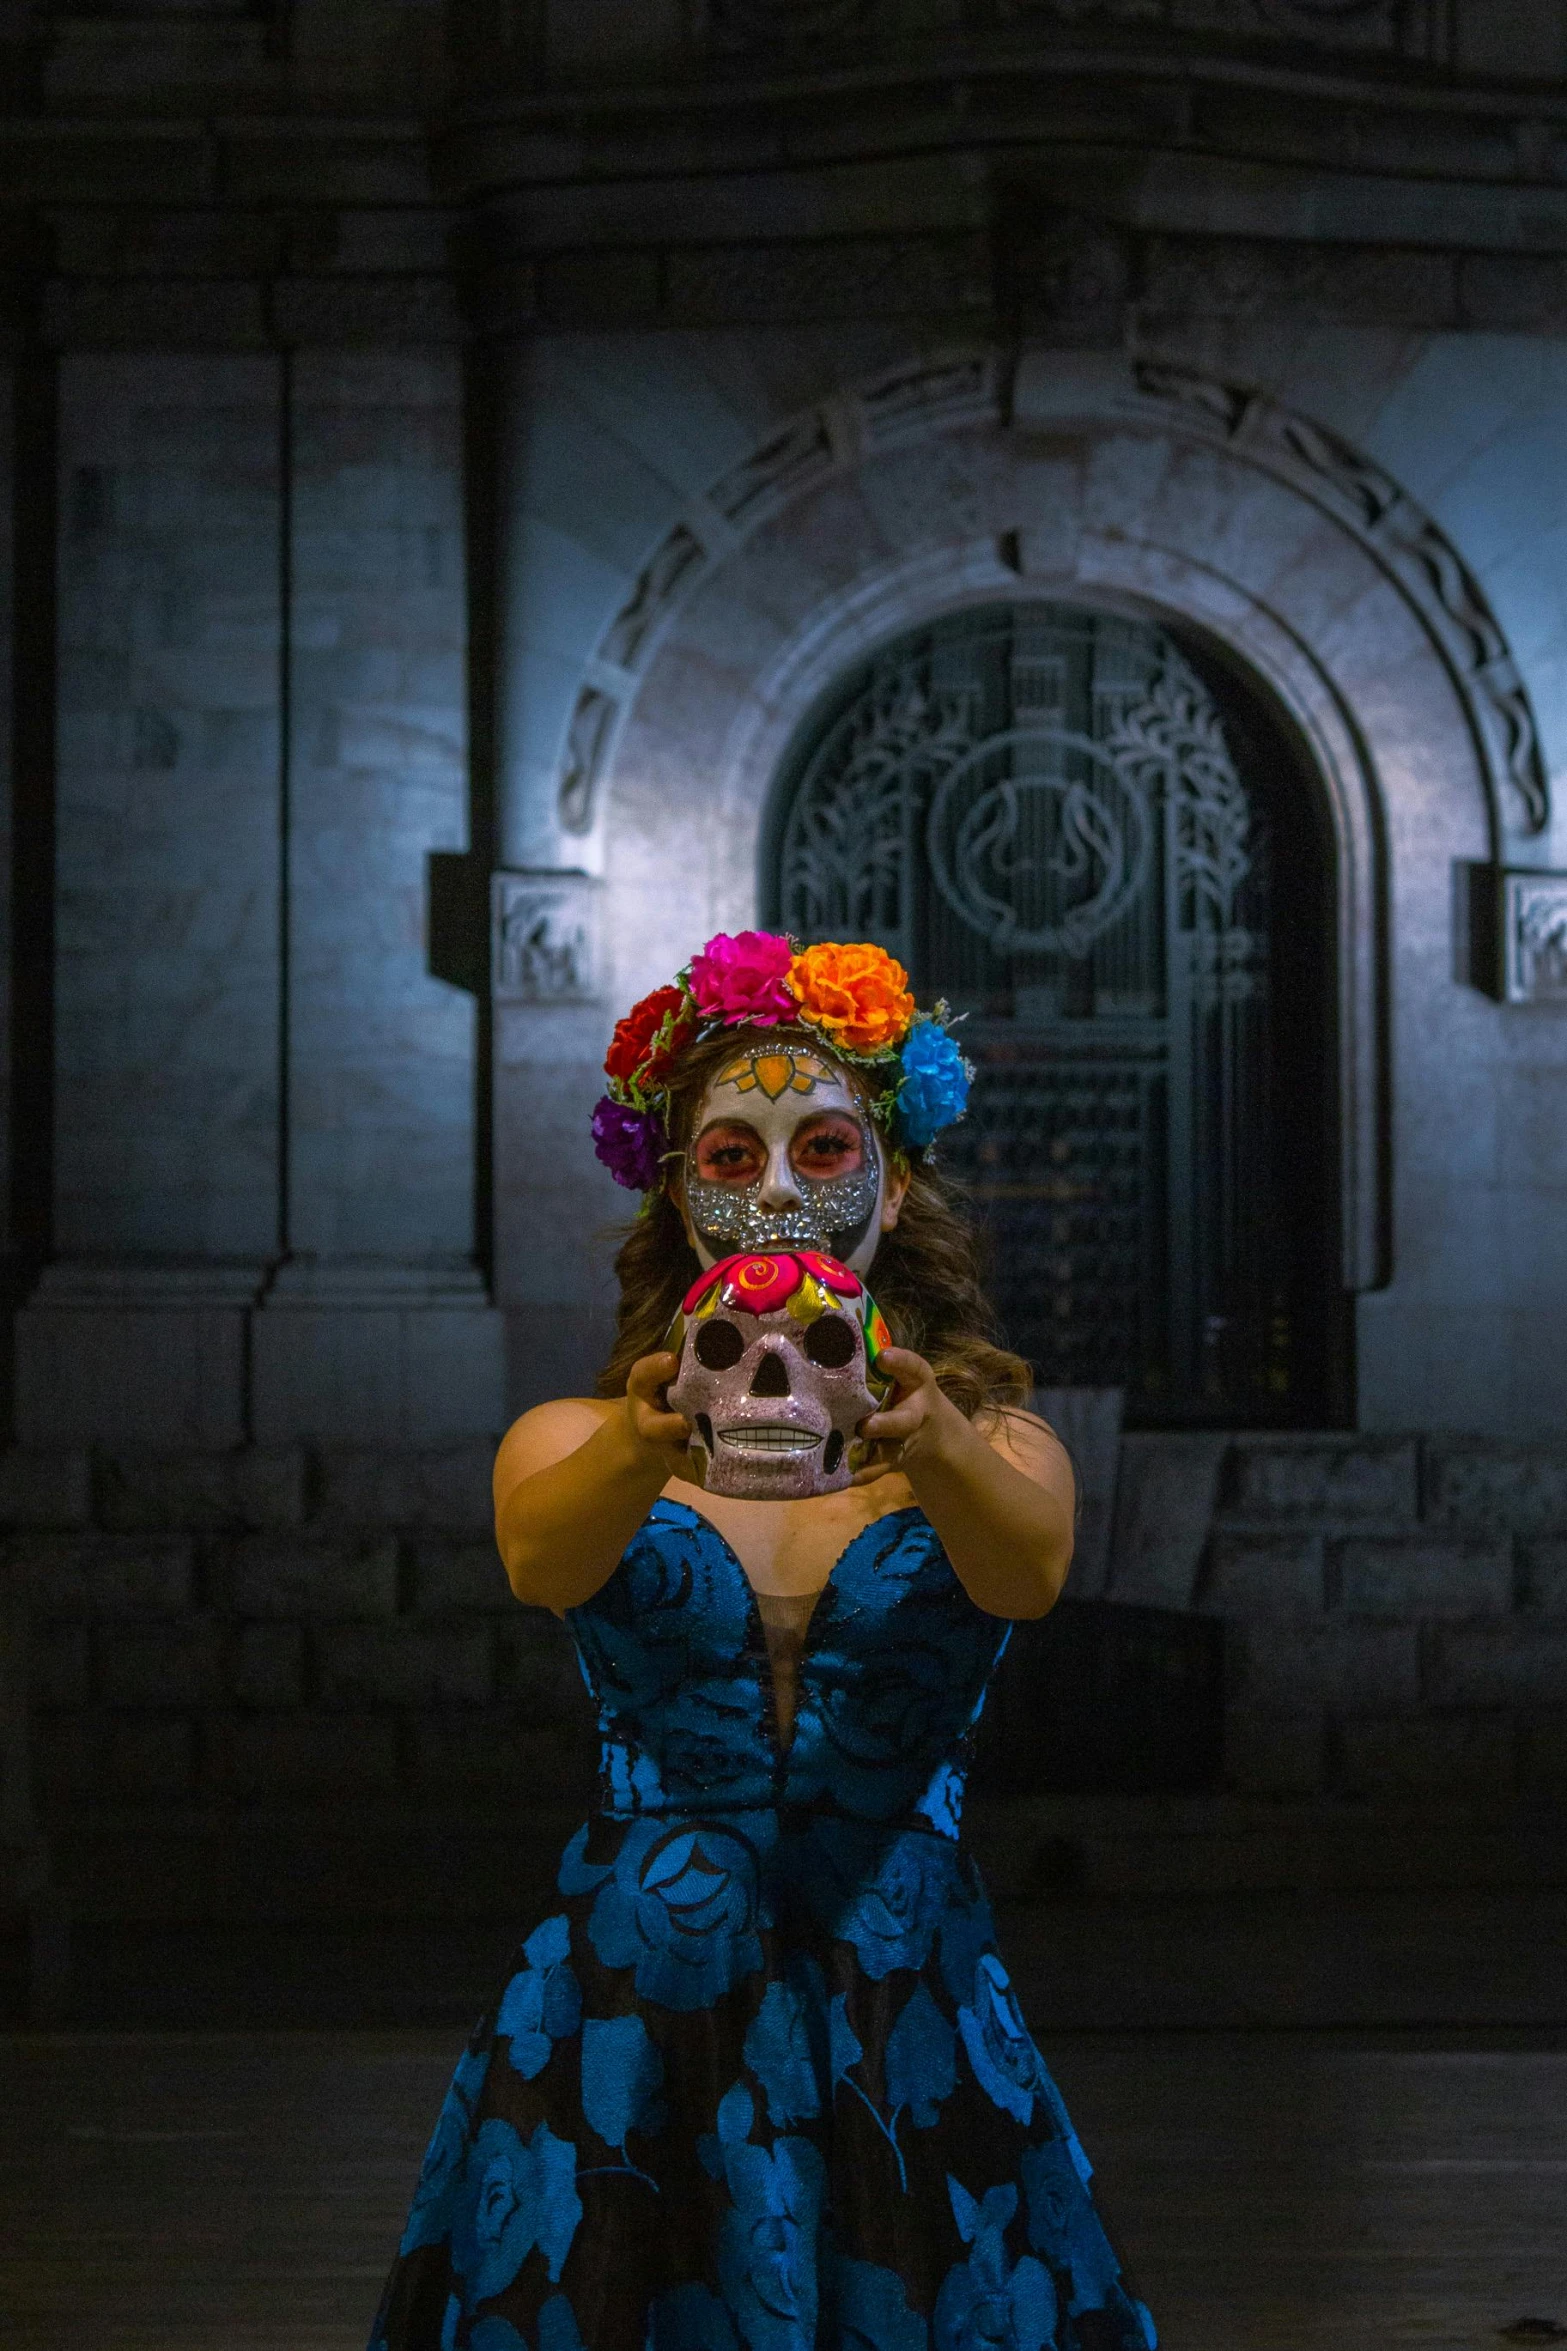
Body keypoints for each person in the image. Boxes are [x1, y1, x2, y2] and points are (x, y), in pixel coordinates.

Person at [370, 931, 1157, 2351]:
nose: (780, 1188)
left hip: (899, 1989)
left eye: (821, 1146)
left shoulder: (993, 1440)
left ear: (892, 1177)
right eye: (730, 1154)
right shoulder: (577, 1435)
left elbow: (1027, 1569)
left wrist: (930, 1444)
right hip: (635, 2003)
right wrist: (642, 1431)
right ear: (674, 1186)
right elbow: (543, 1553)